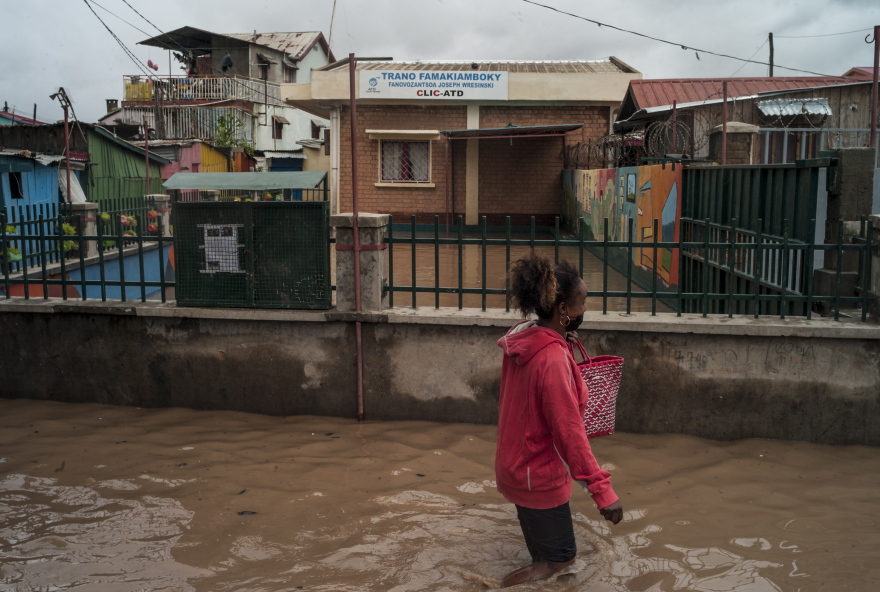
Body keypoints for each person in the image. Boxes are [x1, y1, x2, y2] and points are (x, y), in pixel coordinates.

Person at [495, 251, 623, 588]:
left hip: (516, 466)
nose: (585, 309)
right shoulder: (551, 359)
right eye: (581, 303)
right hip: (538, 475)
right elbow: (569, 435)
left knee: (543, 556)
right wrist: (603, 492)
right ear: (562, 308)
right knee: (559, 562)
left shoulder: (523, 337)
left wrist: (563, 340)